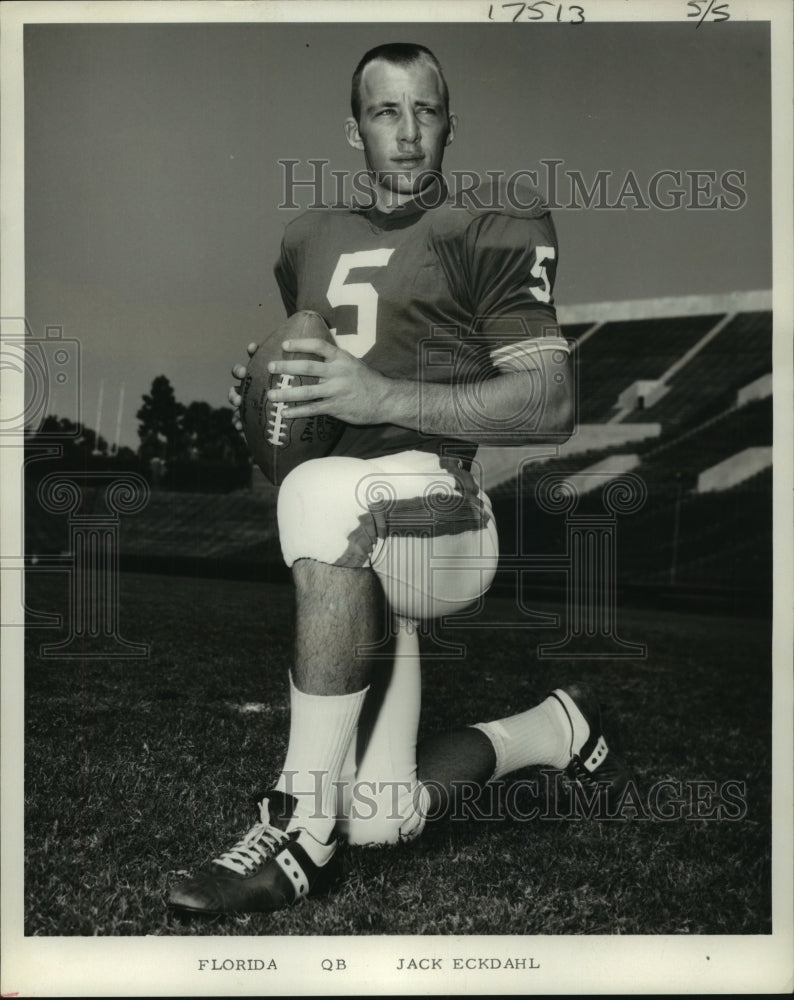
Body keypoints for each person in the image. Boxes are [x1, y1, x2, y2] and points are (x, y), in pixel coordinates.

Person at [167, 42, 629, 915]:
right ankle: (556, 727)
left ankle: (299, 825)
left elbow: (552, 400)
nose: (409, 133)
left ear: (452, 124)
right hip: (355, 534)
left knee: (321, 496)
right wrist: (268, 395)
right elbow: (316, 416)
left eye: (427, 111)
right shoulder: (307, 239)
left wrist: (378, 390)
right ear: (354, 130)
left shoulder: (493, 221)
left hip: (444, 517)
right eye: (387, 112)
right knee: (383, 817)